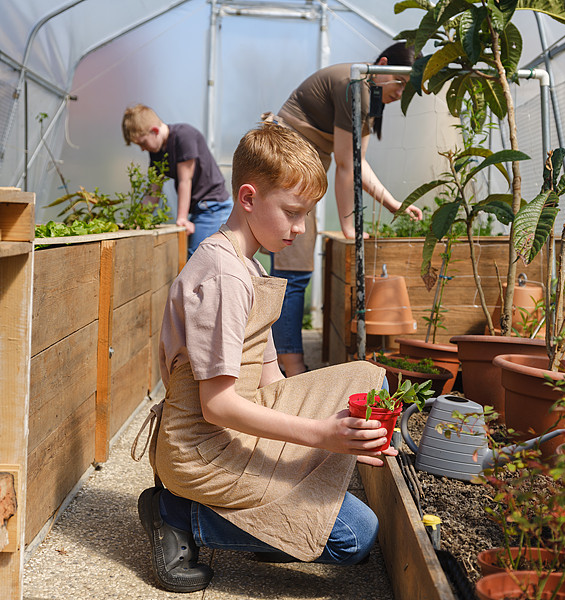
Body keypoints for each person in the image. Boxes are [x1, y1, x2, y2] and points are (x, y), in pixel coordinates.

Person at [131, 122, 391, 593]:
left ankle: (259, 515)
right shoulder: (223, 276)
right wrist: (321, 435)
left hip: (236, 432)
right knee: (356, 535)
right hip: (202, 452)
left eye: (308, 214)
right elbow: (218, 407)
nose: (300, 228)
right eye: (292, 212)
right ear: (248, 198)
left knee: (369, 379)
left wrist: (352, 430)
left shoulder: (249, 261)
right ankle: (175, 512)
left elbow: (271, 378)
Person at [263, 42, 424, 377]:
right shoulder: (358, 87)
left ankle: (283, 357)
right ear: (382, 66)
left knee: (294, 267)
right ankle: (289, 363)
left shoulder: (369, 91)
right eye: (400, 83)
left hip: (302, 163)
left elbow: (355, 162)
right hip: (289, 159)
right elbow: (345, 164)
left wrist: (395, 205)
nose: (401, 93)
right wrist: (350, 226)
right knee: (293, 269)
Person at [122, 104, 233, 257]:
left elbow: (185, 181)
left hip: (213, 207)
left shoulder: (183, 136)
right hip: (199, 209)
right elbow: (153, 192)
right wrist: (137, 221)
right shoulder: (156, 151)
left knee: (197, 257)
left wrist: (181, 218)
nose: (142, 149)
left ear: (154, 131)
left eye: (142, 143)